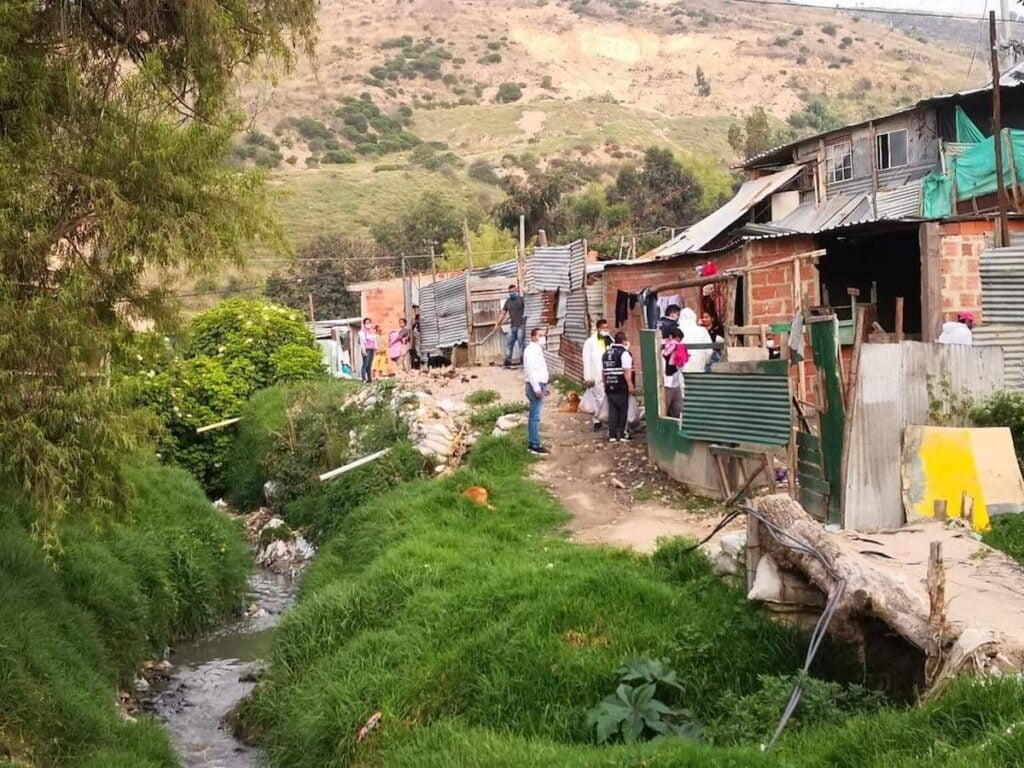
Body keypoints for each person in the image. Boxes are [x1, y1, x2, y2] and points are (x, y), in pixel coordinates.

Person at [582, 318, 613, 432]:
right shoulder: (590, 342)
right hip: (596, 373)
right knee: (598, 398)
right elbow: (587, 360)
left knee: (607, 397)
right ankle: (597, 420)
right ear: (598, 328)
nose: (605, 330)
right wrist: (588, 377)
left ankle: (607, 418)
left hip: (608, 372)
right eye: (603, 328)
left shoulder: (610, 339)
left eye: (607, 328)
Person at [602, 331, 635, 442]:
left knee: (612, 410)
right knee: (623, 410)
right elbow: (627, 370)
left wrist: (605, 384)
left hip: (609, 386)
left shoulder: (606, 354)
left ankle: (612, 435)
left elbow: (604, 372)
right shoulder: (624, 353)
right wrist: (630, 385)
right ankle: (622, 434)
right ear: (624, 341)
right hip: (621, 386)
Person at [523, 327, 550, 455]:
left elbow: (540, 370)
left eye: (543, 335)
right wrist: (537, 388)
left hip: (540, 384)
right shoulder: (530, 351)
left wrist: (545, 387)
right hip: (535, 386)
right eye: (540, 335)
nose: (543, 337)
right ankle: (534, 444)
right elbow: (531, 370)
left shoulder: (537, 350)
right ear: (533, 337)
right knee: (535, 416)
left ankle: (534, 441)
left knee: (536, 415)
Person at [495, 284, 527, 368]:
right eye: (510, 292)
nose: (512, 293)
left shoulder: (521, 300)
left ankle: (523, 362)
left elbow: (528, 310)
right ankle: (508, 362)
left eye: (513, 291)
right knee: (509, 344)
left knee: (521, 345)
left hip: (521, 326)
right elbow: (503, 313)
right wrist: (497, 323)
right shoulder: (508, 302)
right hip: (512, 326)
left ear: (516, 290)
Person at [680, 308, 713, 374]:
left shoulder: (676, 331)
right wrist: (705, 361)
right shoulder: (702, 331)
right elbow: (709, 351)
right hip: (698, 368)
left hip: (680, 370)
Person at [662, 327, 687, 418]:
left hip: (675, 382)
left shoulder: (672, 347)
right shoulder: (666, 348)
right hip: (668, 382)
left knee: (677, 407)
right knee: (667, 407)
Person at [358, 317, 377, 383]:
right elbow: (362, 342)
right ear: (364, 324)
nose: (368, 324)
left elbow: (375, 341)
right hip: (366, 349)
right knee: (365, 364)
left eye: (369, 322)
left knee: (369, 364)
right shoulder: (362, 332)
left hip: (371, 349)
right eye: (367, 323)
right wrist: (364, 351)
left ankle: (369, 378)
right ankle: (363, 378)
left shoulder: (372, 332)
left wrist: (375, 348)